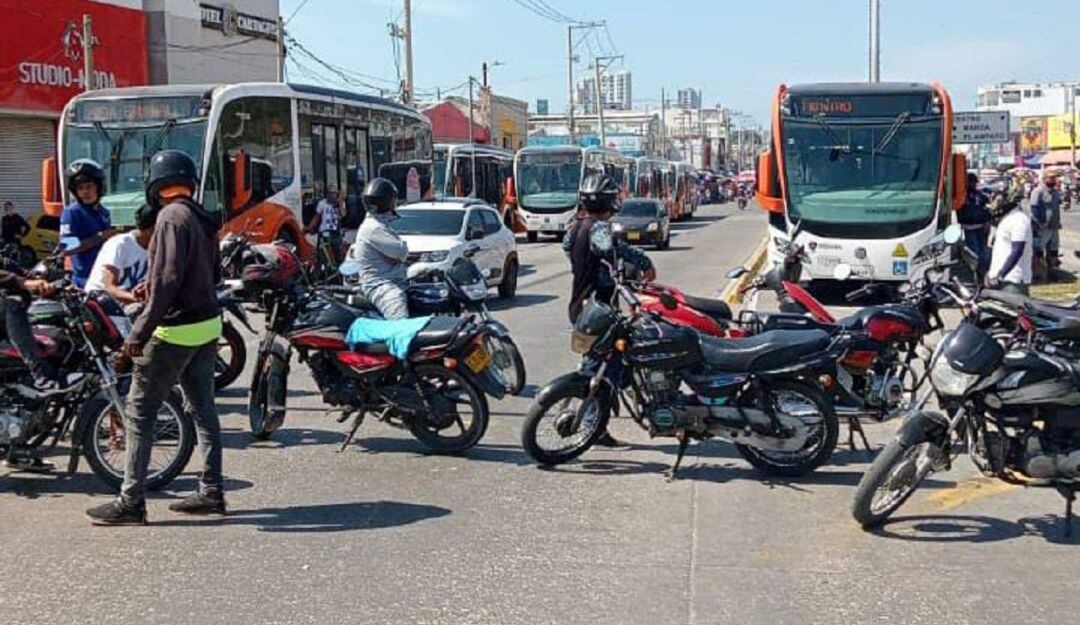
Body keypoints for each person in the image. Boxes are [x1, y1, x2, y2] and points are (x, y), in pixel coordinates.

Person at [86, 150, 225, 526]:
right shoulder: (202, 218)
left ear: (155, 183)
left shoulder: (169, 217)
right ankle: (212, 491)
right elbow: (209, 275)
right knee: (203, 410)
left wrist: (137, 335)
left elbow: (166, 283)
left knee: (140, 412)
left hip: (174, 331)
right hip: (208, 327)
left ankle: (131, 502)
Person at [566, 173, 656, 323]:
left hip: (580, 304)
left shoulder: (575, 227)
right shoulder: (598, 229)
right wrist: (645, 263)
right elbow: (618, 249)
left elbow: (569, 249)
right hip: (598, 308)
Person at [347, 178, 409, 320]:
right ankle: (400, 340)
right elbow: (401, 251)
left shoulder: (380, 224)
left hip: (392, 278)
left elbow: (398, 253)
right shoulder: (374, 227)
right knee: (400, 322)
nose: (394, 203)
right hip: (381, 284)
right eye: (392, 199)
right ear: (386, 202)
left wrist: (397, 258)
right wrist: (399, 255)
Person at [84, 204, 155, 305]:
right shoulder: (120, 244)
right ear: (150, 230)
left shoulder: (158, 248)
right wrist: (138, 300)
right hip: (102, 304)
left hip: (129, 303)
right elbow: (109, 288)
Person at [60, 160, 115, 288]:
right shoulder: (72, 212)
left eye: (89, 186)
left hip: (107, 277)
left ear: (98, 187)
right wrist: (101, 236)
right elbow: (67, 248)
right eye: (80, 188)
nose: (85, 191)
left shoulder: (104, 212)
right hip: (85, 281)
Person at [987, 184, 1033, 296]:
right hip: (1000, 278)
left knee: (1014, 312)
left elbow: (1017, 251)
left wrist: (1001, 274)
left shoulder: (1019, 220)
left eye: (999, 201)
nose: (995, 204)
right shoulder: (1007, 219)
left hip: (1013, 280)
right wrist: (991, 272)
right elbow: (1001, 251)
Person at [1029, 170, 1062, 280]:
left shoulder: (1056, 192)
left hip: (1054, 226)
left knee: (1053, 250)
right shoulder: (1038, 192)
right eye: (1051, 178)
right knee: (1038, 250)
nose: (1053, 180)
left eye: (1054, 178)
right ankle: (1038, 272)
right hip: (1042, 227)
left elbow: (1059, 205)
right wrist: (1039, 223)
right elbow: (1033, 209)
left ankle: (1052, 272)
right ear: (1044, 179)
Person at [957, 173, 991, 279]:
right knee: (978, 250)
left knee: (977, 251)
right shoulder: (973, 195)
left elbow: (985, 207)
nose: (974, 184)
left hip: (975, 226)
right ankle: (979, 272)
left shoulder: (969, 195)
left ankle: (978, 272)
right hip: (972, 226)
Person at [306, 185, 346, 262]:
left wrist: (340, 202)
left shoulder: (340, 204)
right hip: (324, 230)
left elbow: (343, 214)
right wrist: (310, 227)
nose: (332, 196)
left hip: (335, 231)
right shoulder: (322, 203)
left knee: (337, 251)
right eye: (330, 193)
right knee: (323, 251)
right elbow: (317, 217)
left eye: (334, 193)